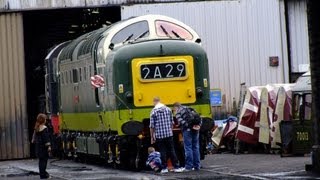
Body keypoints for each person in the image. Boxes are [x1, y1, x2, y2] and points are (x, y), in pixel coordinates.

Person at [149, 97, 183, 173]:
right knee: (172, 150)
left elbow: (152, 126)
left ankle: (164, 168)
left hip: (159, 135)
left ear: (155, 102)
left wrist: (152, 137)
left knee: (162, 151)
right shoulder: (168, 110)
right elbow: (172, 123)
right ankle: (176, 167)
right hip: (169, 134)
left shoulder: (153, 112)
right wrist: (169, 131)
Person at [173, 102, 202, 171]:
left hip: (187, 130)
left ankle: (189, 166)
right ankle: (197, 166)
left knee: (188, 147)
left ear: (176, 107)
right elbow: (199, 117)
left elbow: (181, 121)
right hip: (196, 129)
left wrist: (188, 126)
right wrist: (198, 126)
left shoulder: (178, 112)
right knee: (195, 147)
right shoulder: (190, 108)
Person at [32, 113, 52, 179]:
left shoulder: (36, 128)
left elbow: (34, 139)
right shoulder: (44, 128)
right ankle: (44, 175)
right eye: (45, 119)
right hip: (43, 148)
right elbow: (46, 138)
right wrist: (49, 146)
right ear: (44, 120)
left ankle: (42, 174)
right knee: (44, 161)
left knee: (41, 161)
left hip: (38, 147)